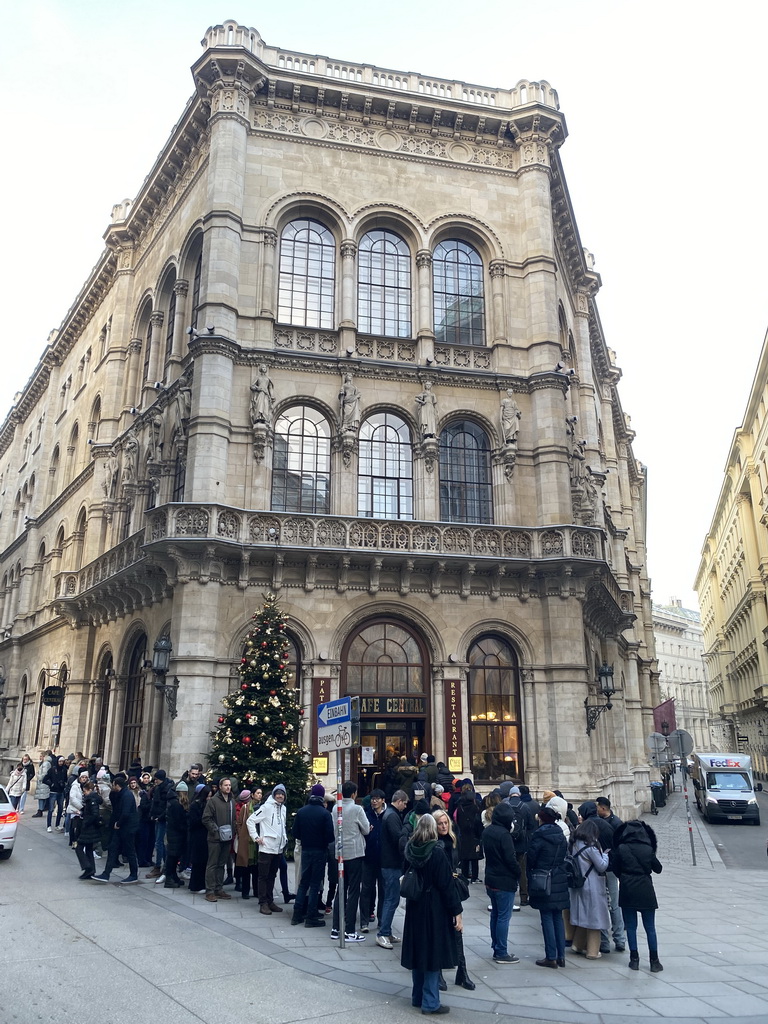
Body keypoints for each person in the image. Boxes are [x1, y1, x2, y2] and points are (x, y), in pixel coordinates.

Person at [400, 813, 463, 1015]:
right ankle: (430, 1002)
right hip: (434, 907)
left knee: (418, 950)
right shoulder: (437, 852)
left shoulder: (410, 849)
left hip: (415, 905)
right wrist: (457, 912)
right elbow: (446, 885)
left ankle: (417, 996)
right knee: (433, 953)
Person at [609, 819, 663, 972]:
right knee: (650, 927)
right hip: (645, 888)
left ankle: (634, 960)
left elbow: (615, 868)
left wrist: (624, 875)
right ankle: (654, 961)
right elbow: (658, 869)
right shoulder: (647, 849)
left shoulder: (621, 848)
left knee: (631, 927)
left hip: (627, 888)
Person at [433, 808, 475, 990]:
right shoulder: (434, 844)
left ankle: (462, 972)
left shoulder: (453, 839)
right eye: (440, 823)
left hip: (453, 887)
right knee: (440, 932)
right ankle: (439, 972)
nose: (443, 826)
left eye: (445, 823)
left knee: (458, 931)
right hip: (439, 890)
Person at [526, 805, 569, 967]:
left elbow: (531, 858)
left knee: (546, 917)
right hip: (559, 877)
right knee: (558, 916)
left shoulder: (539, 836)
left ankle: (551, 956)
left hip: (543, 878)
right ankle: (561, 955)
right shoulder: (560, 834)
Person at [330, 780, 370, 941]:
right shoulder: (357, 809)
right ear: (353, 794)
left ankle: (335, 928)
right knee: (353, 891)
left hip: (339, 853)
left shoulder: (335, 808)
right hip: (354, 853)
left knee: (341, 889)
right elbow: (366, 829)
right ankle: (349, 930)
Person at [481, 801, 521, 964]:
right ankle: (501, 951)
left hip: (491, 877)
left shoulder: (488, 831)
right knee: (504, 917)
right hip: (504, 880)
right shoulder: (504, 835)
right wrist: (518, 872)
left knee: (496, 915)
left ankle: (496, 945)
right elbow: (510, 859)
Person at [291, 783, 334, 927]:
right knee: (315, 883)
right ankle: (311, 916)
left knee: (304, 882)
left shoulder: (302, 812)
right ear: (322, 797)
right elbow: (330, 836)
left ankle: (297, 915)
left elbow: (295, 833)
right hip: (319, 851)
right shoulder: (325, 813)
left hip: (306, 850)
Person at [566, 818, 610, 959]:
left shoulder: (574, 844)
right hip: (592, 885)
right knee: (594, 920)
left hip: (578, 884)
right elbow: (602, 865)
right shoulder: (590, 847)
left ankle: (578, 945)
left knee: (583, 916)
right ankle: (593, 951)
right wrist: (605, 855)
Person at [247, 783, 288, 914]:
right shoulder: (266, 807)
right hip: (266, 847)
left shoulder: (284, 808)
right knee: (263, 876)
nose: (280, 796)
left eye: (282, 794)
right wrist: (256, 837)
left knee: (272, 875)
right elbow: (251, 821)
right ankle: (263, 902)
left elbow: (282, 826)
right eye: (278, 794)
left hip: (278, 848)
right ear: (274, 795)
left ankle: (270, 901)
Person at [91, 776, 140, 883]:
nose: (112, 787)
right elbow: (114, 802)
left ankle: (134, 874)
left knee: (130, 850)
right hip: (120, 827)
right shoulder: (120, 794)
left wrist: (118, 823)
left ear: (117, 785)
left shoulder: (127, 795)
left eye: (113, 785)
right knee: (113, 849)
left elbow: (126, 813)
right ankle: (106, 873)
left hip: (127, 828)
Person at [376, 789, 408, 949]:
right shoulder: (393, 816)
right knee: (391, 898)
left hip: (389, 862)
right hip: (391, 863)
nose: (406, 806)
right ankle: (383, 933)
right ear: (400, 801)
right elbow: (399, 838)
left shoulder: (389, 814)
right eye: (405, 803)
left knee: (391, 898)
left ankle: (386, 931)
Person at [595, 796, 626, 953]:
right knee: (603, 904)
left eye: (597, 807)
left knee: (614, 904)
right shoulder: (599, 821)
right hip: (601, 869)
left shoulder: (616, 823)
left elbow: (620, 846)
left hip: (611, 868)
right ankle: (604, 942)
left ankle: (619, 939)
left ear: (603, 808)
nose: (596, 809)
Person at [202, 777, 236, 903]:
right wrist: (215, 830)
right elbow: (206, 818)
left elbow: (233, 819)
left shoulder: (232, 801)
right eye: (226, 785)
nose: (228, 787)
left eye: (229, 785)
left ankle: (219, 888)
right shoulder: (213, 801)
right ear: (220, 787)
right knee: (212, 864)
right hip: (215, 838)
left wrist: (233, 831)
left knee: (222, 864)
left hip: (227, 838)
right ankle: (209, 891)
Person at [359, 788, 386, 932]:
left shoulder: (388, 815)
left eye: (377, 799)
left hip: (383, 859)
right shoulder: (366, 814)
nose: (374, 801)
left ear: (383, 800)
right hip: (368, 857)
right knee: (366, 890)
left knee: (383, 891)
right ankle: (364, 922)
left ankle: (382, 921)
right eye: (373, 799)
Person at [454, 783, 483, 882]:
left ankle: (465, 875)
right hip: (474, 833)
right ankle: (474, 877)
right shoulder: (477, 806)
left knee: (464, 855)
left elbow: (456, 819)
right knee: (475, 856)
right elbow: (479, 821)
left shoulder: (459, 806)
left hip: (463, 833)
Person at [75, 780, 102, 879]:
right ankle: (91, 869)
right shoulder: (91, 799)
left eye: (85, 791)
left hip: (88, 828)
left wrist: (86, 822)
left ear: (89, 790)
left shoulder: (91, 800)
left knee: (79, 848)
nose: (84, 793)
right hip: (90, 827)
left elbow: (94, 814)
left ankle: (88, 867)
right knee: (89, 849)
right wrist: (82, 812)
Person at [235, 789, 259, 899]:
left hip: (257, 841)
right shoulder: (245, 808)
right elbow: (239, 823)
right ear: (252, 795)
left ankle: (256, 891)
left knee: (256, 868)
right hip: (246, 841)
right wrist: (241, 834)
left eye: (261, 793)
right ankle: (245, 891)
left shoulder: (262, 808)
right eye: (257, 793)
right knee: (246, 867)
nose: (260, 795)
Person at [188, 785, 211, 894]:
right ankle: (195, 885)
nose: (209, 798)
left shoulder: (207, 805)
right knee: (197, 861)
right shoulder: (195, 805)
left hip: (205, 835)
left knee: (204, 861)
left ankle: (202, 883)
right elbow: (193, 822)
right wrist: (204, 818)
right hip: (197, 836)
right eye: (208, 796)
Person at [45, 756, 68, 832]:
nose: (61, 763)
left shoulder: (64, 770)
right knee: (51, 809)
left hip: (61, 791)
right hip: (53, 791)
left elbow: (65, 779)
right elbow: (45, 779)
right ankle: (49, 825)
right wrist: (51, 784)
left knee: (60, 809)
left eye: (62, 761)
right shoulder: (52, 769)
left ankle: (57, 825)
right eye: (60, 761)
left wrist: (63, 784)